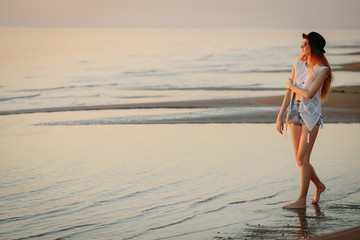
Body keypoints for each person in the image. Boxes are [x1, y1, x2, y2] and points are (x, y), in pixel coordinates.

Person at [276, 32, 333, 209]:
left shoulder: (322, 70)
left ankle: (301, 200)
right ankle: (320, 186)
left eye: (305, 43)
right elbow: (288, 93)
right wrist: (280, 116)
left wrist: (291, 86)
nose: (302, 46)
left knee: (303, 158)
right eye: (302, 43)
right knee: (300, 161)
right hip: (294, 112)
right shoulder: (297, 64)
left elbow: (308, 94)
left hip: (310, 116)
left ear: (313, 46)